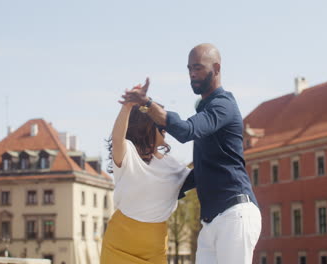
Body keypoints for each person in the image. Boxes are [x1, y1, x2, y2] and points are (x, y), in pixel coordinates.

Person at [121, 43, 262, 264]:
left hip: (235, 213)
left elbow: (187, 131)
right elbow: (200, 173)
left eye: (197, 68)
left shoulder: (223, 106)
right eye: (189, 69)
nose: (192, 75)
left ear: (216, 68)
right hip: (211, 220)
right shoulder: (205, 109)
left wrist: (147, 104)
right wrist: (151, 181)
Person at [100, 88, 191, 264]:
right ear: (147, 125)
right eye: (159, 121)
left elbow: (201, 172)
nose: (165, 126)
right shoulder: (128, 153)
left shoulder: (173, 166)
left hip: (154, 247)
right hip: (120, 244)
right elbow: (118, 139)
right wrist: (127, 106)